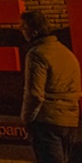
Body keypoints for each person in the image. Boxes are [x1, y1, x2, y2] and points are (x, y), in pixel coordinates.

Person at [19, 10, 81, 163]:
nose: (21, 30)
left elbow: (34, 94)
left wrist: (27, 119)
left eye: (23, 27)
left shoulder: (36, 54)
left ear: (33, 32)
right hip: (70, 120)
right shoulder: (66, 53)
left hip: (47, 121)